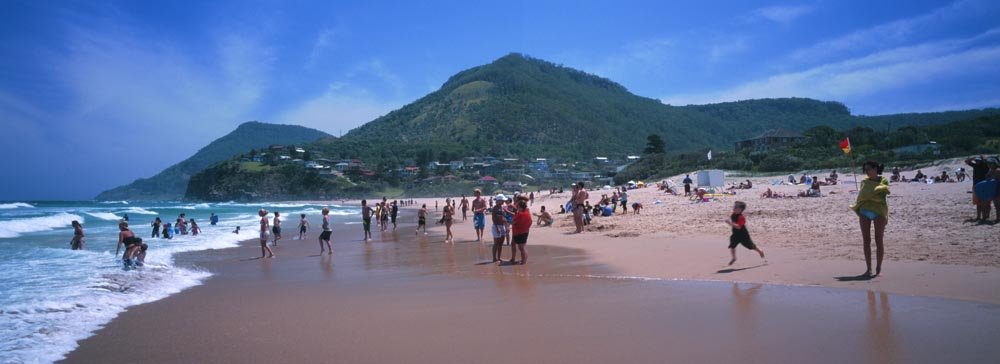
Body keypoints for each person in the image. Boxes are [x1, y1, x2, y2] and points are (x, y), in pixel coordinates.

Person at [851, 161, 890, 277]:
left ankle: (878, 268)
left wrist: (871, 195)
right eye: (865, 170)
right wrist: (871, 195)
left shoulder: (884, 181)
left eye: (868, 169)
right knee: (866, 241)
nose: (866, 172)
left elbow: (882, 195)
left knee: (879, 240)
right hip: (864, 211)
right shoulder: (864, 182)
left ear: (875, 169)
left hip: (879, 211)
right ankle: (868, 269)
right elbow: (863, 196)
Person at [723, 201, 765, 266]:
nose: (734, 208)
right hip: (735, 234)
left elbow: (739, 227)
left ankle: (760, 251)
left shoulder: (741, 217)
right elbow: (731, 219)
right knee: (732, 245)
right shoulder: (733, 214)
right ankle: (734, 258)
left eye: (736, 207)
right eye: (734, 206)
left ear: (741, 210)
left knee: (750, 246)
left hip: (743, 235)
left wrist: (730, 223)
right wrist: (728, 220)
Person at [966, 155, 991, 222]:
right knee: (978, 202)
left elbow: (988, 161)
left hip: (985, 185)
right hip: (976, 185)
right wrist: (973, 158)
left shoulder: (986, 166)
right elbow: (967, 161)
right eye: (976, 161)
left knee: (986, 202)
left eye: (978, 160)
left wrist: (983, 158)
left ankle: (986, 216)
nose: (977, 162)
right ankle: (979, 216)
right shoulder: (975, 166)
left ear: (981, 161)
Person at [509, 198, 532, 265]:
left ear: (519, 206)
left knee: (522, 247)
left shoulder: (520, 214)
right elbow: (529, 222)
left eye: (517, 205)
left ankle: (523, 262)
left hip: (520, 233)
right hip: (524, 231)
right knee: (522, 247)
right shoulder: (527, 212)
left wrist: (507, 221)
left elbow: (513, 222)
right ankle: (523, 261)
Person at [491, 195, 509, 264]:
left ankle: (499, 257)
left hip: (502, 226)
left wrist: (506, 226)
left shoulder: (502, 208)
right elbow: (494, 218)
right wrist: (496, 227)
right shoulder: (495, 208)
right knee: (496, 243)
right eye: (503, 200)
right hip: (496, 226)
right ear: (499, 201)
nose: (504, 201)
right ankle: (494, 258)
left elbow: (504, 218)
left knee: (501, 243)